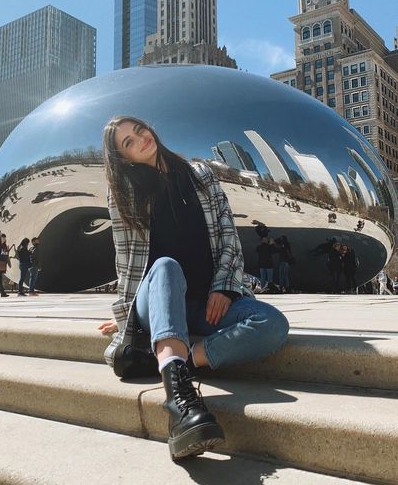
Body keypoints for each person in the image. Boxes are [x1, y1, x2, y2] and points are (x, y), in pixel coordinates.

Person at [98, 116, 289, 460]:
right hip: (157, 296)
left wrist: (225, 288)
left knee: (272, 324)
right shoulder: (124, 193)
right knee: (166, 266)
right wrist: (126, 317)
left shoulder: (200, 175)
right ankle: (181, 403)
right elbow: (126, 262)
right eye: (128, 142)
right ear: (124, 158)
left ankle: (176, 362)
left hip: (204, 303)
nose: (140, 139)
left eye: (139, 130)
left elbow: (228, 235)